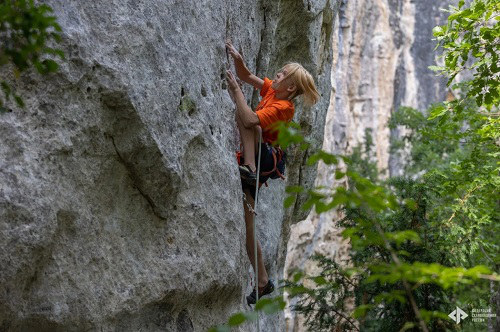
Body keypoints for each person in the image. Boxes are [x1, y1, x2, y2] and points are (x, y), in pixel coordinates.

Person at [225, 40, 320, 305]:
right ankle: (264, 280)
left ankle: (249, 170)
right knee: (248, 225)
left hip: (264, 161)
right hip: (260, 155)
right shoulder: (273, 92)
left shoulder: (283, 107)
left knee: (252, 122)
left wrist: (236, 92)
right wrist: (237, 59)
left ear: (290, 87)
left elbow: (249, 120)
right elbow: (246, 75)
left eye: (280, 74)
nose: (275, 75)